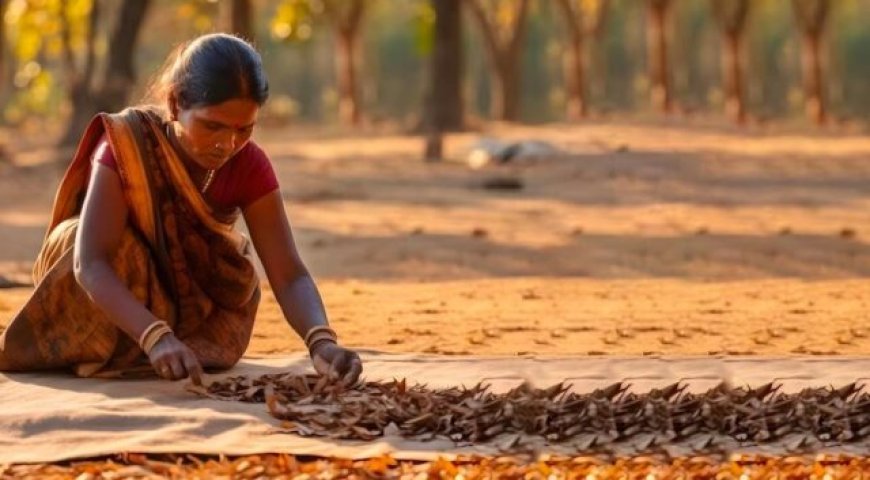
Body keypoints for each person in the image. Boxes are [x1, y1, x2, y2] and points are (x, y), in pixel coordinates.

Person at [0, 33, 362, 386]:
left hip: (188, 307)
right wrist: (156, 336)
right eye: (212, 126)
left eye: (244, 129)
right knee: (106, 246)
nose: (227, 144)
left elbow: (289, 273)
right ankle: (121, 345)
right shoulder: (126, 146)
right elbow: (90, 263)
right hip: (102, 286)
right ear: (175, 105)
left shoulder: (249, 164)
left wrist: (321, 341)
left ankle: (158, 347)